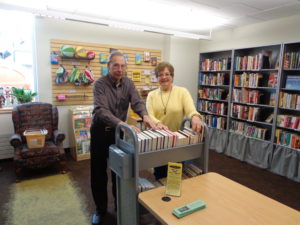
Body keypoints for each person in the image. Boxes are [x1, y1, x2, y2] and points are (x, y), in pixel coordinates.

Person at [90, 51, 155, 225]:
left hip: (118, 133)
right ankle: (100, 209)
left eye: (122, 65)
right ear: (108, 66)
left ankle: (120, 206)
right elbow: (101, 111)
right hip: (99, 132)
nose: (119, 69)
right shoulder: (100, 85)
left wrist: (145, 116)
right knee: (98, 172)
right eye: (116, 65)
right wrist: (122, 123)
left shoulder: (128, 83)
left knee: (119, 169)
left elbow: (137, 102)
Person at [146, 61, 205, 180]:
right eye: (160, 75)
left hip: (178, 141)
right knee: (160, 173)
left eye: (167, 74)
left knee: (175, 175)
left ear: (172, 76)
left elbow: (190, 109)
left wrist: (195, 116)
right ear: (157, 78)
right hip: (159, 140)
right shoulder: (152, 95)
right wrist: (158, 123)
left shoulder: (182, 92)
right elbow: (149, 115)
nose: (164, 77)